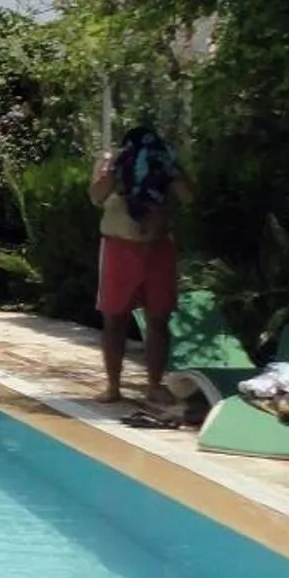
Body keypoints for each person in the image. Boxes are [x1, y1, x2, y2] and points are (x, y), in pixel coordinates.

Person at [91, 123, 184, 406]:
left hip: (158, 248)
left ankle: (154, 385)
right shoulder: (109, 159)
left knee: (158, 318)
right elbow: (96, 196)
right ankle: (113, 386)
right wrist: (114, 168)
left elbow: (188, 195)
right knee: (114, 318)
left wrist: (172, 169)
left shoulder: (163, 159)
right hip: (119, 246)